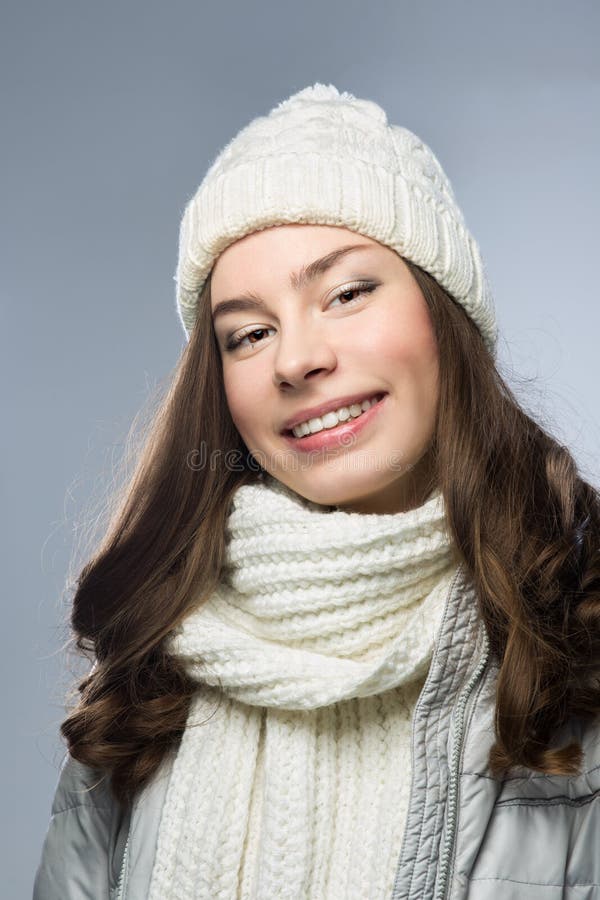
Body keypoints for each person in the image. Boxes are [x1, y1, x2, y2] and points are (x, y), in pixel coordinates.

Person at [33, 83, 600, 900]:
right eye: (250, 334)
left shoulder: (576, 648)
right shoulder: (146, 686)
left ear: (446, 319)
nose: (296, 361)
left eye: (346, 293)